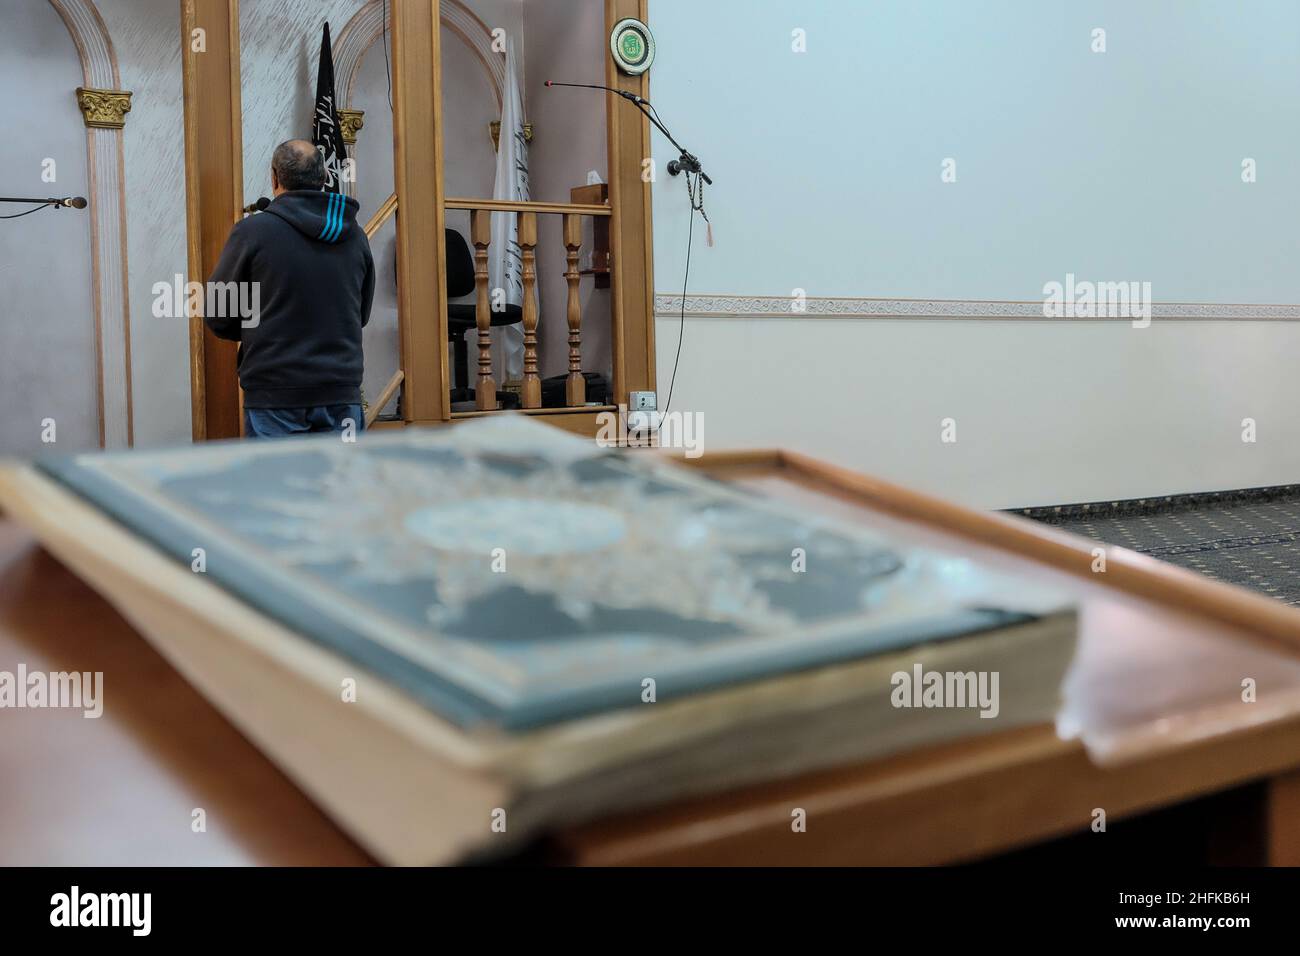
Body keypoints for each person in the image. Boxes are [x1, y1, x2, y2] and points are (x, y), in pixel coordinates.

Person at [205, 139, 374, 438]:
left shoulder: (253, 231)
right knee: (339, 484)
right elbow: (360, 313)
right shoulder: (355, 236)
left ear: (274, 177)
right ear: (324, 179)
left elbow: (219, 315)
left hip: (275, 394)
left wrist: (259, 328)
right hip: (340, 392)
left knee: (276, 484)